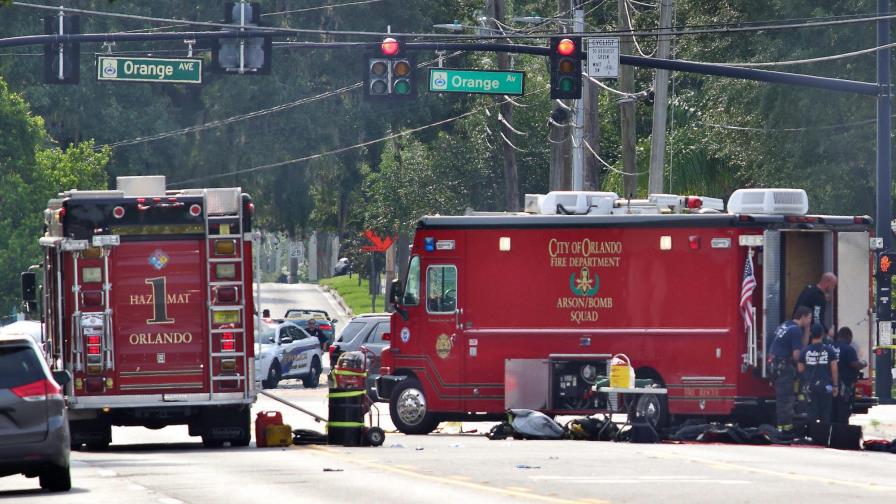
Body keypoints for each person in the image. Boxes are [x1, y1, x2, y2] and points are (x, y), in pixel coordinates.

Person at [769, 306, 812, 433]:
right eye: (809, 318)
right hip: (784, 368)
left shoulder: (787, 325)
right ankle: (784, 430)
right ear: (803, 317)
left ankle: (783, 426)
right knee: (786, 399)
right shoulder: (795, 331)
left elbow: (801, 345)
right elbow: (797, 355)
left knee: (783, 398)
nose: (810, 321)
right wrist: (805, 365)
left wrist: (807, 329)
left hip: (776, 366)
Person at [799, 323, 839, 425]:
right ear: (822, 335)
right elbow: (834, 369)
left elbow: (800, 369)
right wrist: (835, 385)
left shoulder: (804, 351)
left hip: (810, 386)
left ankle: (812, 436)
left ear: (811, 334)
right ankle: (823, 437)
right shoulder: (829, 350)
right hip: (826, 386)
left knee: (811, 414)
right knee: (825, 414)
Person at [831, 327, 867, 424]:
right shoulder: (848, 349)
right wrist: (863, 363)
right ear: (849, 337)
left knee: (831, 414)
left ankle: (830, 435)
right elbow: (855, 365)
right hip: (844, 388)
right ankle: (842, 435)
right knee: (843, 414)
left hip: (830, 387)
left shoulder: (829, 346)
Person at [793, 272, 838, 343]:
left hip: (795, 326)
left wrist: (823, 296)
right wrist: (827, 331)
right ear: (828, 282)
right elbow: (817, 318)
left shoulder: (809, 288)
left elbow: (809, 300)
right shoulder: (819, 297)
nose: (833, 288)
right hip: (806, 331)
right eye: (833, 285)